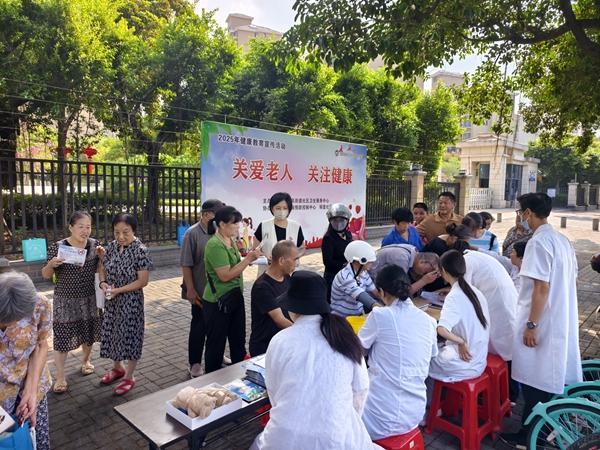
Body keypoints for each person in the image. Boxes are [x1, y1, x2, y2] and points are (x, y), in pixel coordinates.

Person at [250, 271, 377, 449]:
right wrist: (343, 417)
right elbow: (361, 389)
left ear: (292, 309)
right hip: (337, 438)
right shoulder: (346, 337)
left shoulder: (279, 341)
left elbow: (274, 391)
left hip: (285, 438)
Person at [501, 193, 582, 447]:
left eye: (520, 212)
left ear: (527, 213)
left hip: (542, 321)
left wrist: (532, 325)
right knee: (546, 377)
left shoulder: (537, 243)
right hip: (558, 317)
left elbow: (541, 288)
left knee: (535, 380)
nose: (519, 217)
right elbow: (574, 280)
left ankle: (531, 434)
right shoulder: (562, 240)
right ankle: (540, 429)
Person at [359, 265, 438, 440]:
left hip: (380, 416)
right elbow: (432, 354)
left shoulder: (380, 315)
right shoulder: (429, 321)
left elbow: (359, 348)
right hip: (415, 414)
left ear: (381, 292)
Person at [41, 211, 103, 394]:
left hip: (88, 299)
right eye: (81, 226)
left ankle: (85, 361)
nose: (85, 231)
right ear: (71, 227)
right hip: (65, 301)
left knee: (88, 334)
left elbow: (101, 269)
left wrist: (102, 257)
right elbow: (45, 275)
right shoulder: (58, 247)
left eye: (88, 227)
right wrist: (51, 264)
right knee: (62, 339)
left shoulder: (95, 245)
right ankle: (60, 377)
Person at [98, 213, 153, 395]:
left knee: (131, 336)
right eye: (117, 232)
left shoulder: (140, 250)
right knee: (114, 334)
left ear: (133, 231)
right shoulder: (112, 247)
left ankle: (129, 376)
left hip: (131, 302)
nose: (121, 236)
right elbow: (102, 266)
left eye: (126, 232)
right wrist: (103, 283)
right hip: (112, 301)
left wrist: (118, 290)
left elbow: (142, 281)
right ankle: (117, 368)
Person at [203, 206, 262, 373]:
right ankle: (211, 379)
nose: (237, 227)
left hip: (234, 297)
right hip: (218, 301)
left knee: (238, 339)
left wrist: (248, 257)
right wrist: (247, 260)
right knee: (216, 343)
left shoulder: (230, 240)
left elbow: (236, 265)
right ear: (222, 224)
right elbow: (225, 275)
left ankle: (240, 375)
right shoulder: (215, 245)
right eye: (234, 224)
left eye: (238, 223)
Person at [0, 272, 52, 450]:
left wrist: (31, 391)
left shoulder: (39, 304)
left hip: (32, 384)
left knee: (33, 439)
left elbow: (40, 345)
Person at [463, 249, 519, 400]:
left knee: (506, 353)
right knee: (507, 351)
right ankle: (508, 395)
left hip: (499, 309)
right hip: (503, 304)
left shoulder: (467, 262)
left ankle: (508, 395)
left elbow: (464, 292)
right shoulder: (477, 258)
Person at [429, 250, 490, 382]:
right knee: (439, 347)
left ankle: (429, 395)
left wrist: (461, 342)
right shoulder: (475, 291)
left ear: (443, 271)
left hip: (464, 364)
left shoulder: (454, 296)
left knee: (424, 356)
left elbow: (442, 329)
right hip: (479, 359)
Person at [180, 199, 224, 378]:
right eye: (218, 215)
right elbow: (186, 264)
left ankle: (217, 354)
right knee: (199, 326)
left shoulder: (220, 232)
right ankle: (195, 363)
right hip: (200, 290)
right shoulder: (192, 234)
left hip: (219, 291)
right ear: (206, 215)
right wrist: (190, 289)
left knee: (218, 326)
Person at [249, 241, 296, 356]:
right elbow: (279, 320)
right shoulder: (262, 287)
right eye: (294, 259)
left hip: (283, 343)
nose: (296, 263)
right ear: (281, 261)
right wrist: (302, 332)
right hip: (266, 348)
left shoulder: (286, 277)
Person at [253, 192, 305, 276]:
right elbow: (255, 249)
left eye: (285, 208)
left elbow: (302, 248)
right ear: (272, 209)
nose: (281, 211)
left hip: (290, 274)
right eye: (278, 208)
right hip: (267, 274)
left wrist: (294, 258)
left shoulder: (296, 226)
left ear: (289, 209)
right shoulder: (263, 225)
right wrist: (265, 257)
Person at [330, 240, 381, 317]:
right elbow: (361, 295)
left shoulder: (363, 273)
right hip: (341, 318)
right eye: (370, 262)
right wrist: (379, 308)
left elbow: (376, 293)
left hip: (357, 316)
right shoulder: (344, 277)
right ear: (360, 261)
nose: (371, 265)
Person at [369, 245, 443, 295]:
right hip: (371, 287)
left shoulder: (413, 253)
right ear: (422, 262)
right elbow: (400, 292)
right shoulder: (401, 259)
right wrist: (424, 281)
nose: (422, 275)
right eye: (425, 272)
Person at [321, 203, 353, 300]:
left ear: (347, 221)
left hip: (347, 275)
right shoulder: (328, 238)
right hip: (333, 277)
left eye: (342, 220)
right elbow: (327, 262)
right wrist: (345, 265)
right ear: (330, 221)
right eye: (335, 220)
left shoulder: (348, 235)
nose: (338, 223)